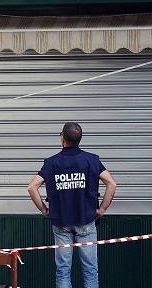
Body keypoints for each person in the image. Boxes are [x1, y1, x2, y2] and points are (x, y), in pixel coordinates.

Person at [27, 122, 117, 288]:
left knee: (63, 270)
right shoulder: (91, 160)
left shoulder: (51, 163)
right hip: (87, 221)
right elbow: (111, 183)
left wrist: (44, 210)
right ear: (79, 139)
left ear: (62, 138)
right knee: (90, 270)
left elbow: (32, 187)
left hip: (61, 223)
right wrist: (102, 209)